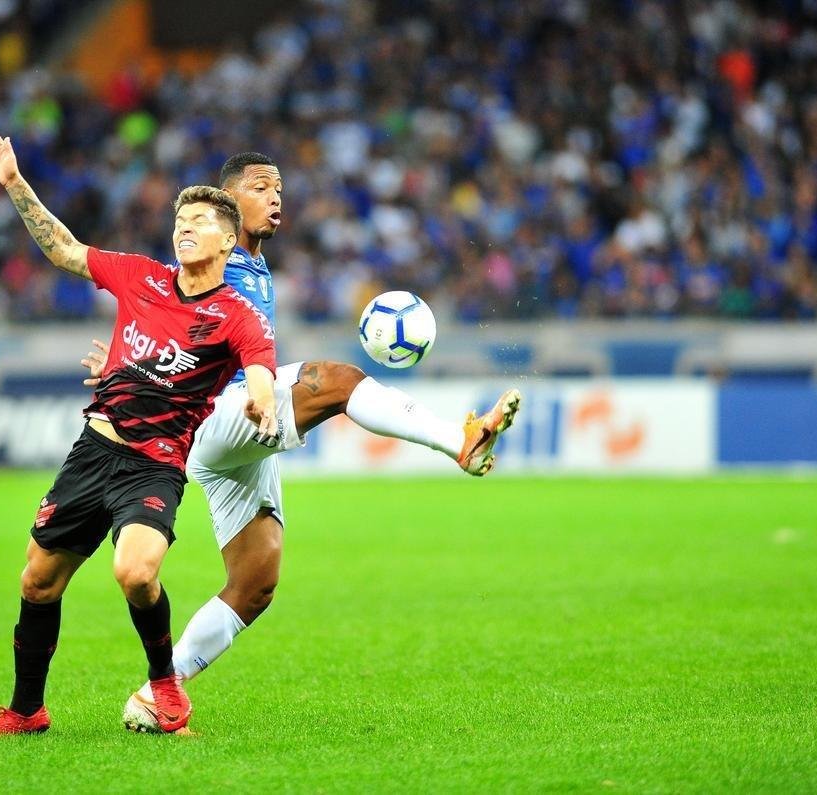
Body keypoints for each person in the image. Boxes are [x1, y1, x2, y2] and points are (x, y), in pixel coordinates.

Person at [79, 153, 522, 731]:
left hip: (240, 431)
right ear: (227, 206)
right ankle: (457, 441)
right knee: (336, 381)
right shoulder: (212, 256)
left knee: (255, 583)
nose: (276, 197)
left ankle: (158, 692)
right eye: (262, 187)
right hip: (218, 414)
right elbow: (163, 306)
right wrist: (124, 364)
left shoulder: (258, 267)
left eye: (279, 187)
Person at [0, 129, 279, 737]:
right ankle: (27, 711)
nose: (183, 229)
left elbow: (261, 368)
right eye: (179, 221)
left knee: (136, 573)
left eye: (197, 221)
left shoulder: (235, 315)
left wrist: (262, 404)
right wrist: (12, 181)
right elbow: (64, 249)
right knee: (37, 582)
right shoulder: (140, 276)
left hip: (153, 465)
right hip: (93, 451)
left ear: (226, 236)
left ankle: (165, 686)